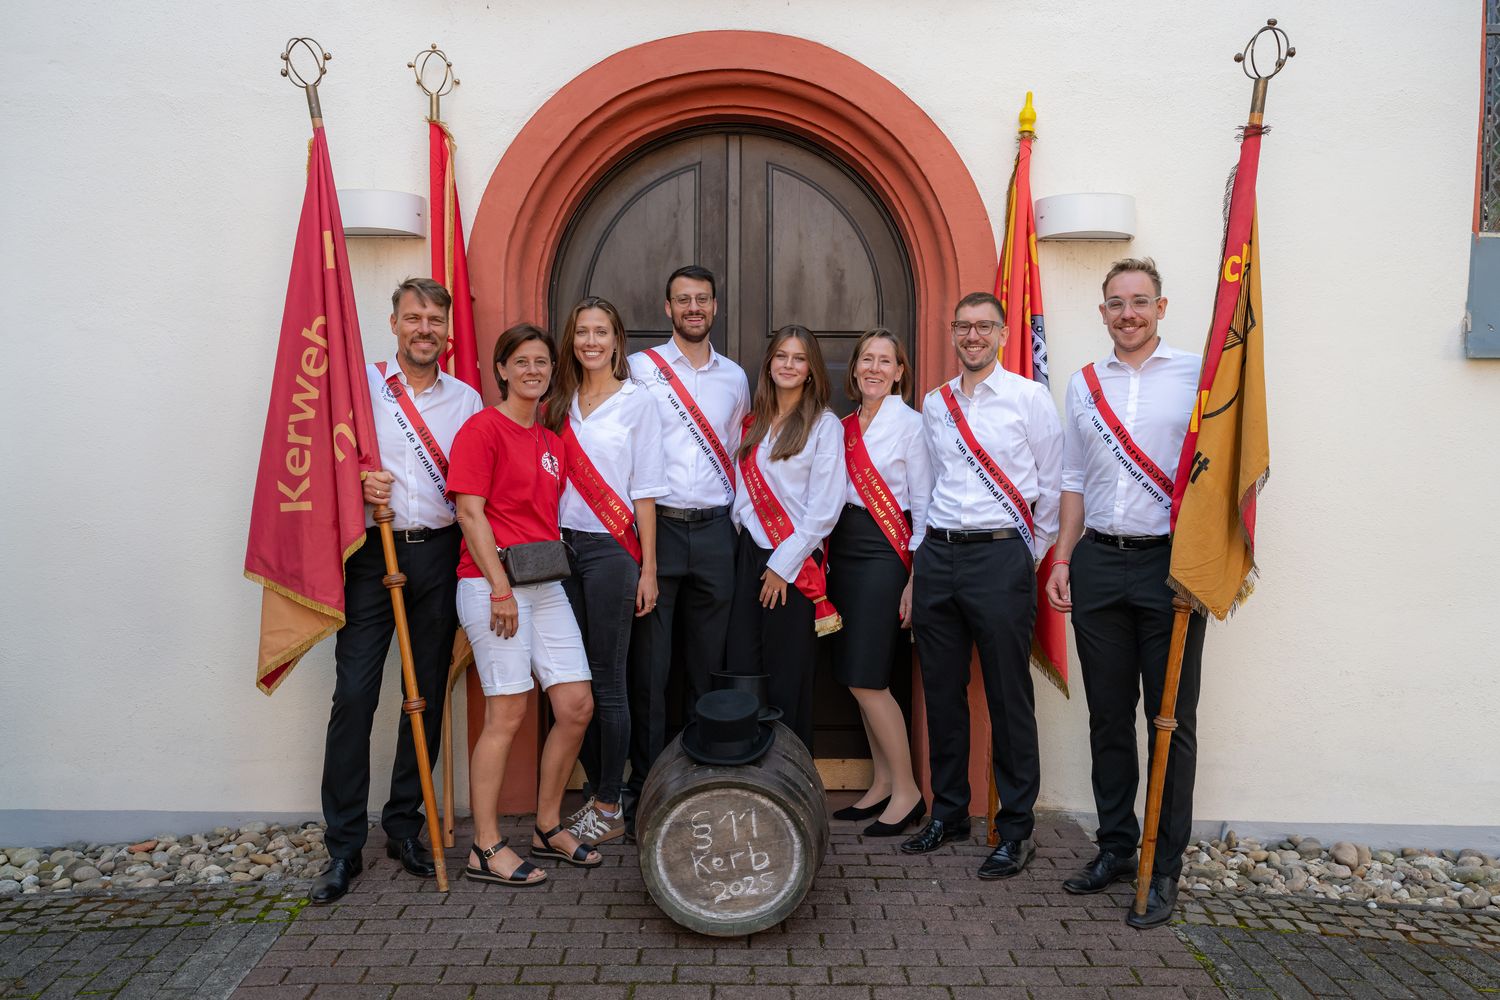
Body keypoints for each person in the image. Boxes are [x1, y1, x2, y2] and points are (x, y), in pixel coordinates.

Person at [1044, 258, 1207, 928]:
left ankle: (1162, 865)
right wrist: (1062, 557)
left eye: (1140, 301)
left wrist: (1208, 563)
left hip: (1172, 568)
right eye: (1116, 303)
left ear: (1161, 308)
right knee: (1108, 717)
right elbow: (1073, 477)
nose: (1128, 313)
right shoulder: (1084, 384)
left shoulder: (1199, 375)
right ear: (1103, 312)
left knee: (1171, 721)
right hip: (1099, 563)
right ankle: (1115, 847)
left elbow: (1225, 470)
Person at [312, 277, 483, 905]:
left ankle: (405, 826)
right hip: (370, 556)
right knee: (354, 695)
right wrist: (357, 482)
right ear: (394, 324)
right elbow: (324, 462)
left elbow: (474, 482)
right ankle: (343, 845)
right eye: (414, 318)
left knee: (425, 694)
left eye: (435, 320)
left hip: (436, 554)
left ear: (447, 331)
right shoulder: (360, 390)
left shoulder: (465, 400)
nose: (424, 329)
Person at [902, 291, 1062, 881]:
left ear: (1002, 334)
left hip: (1000, 556)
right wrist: (921, 558)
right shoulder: (935, 403)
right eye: (963, 326)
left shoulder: (1029, 398)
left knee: (1007, 696)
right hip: (939, 555)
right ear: (952, 332)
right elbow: (926, 488)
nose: (973, 336)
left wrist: (1026, 555)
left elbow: (1052, 484)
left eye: (984, 326)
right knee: (942, 693)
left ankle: (1015, 829)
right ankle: (949, 813)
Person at [448, 323, 599, 886]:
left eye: (542, 362)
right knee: (508, 711)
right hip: (491, 585)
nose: (533, 370)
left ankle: (546, 826)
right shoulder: (481, 429)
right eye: (522, 362)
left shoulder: (551, 443)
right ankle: (485, 848)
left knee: (576, 706)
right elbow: (470, 513)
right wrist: (499, 588)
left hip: (544, 583)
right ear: (502, 370)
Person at [623, 266, 750, 826]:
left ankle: (698, 777)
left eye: (702, 299)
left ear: (715, 307)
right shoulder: (639, 370)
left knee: (707, 663)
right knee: (650, 668)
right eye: (683, 300)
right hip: (659, 531)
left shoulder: (736, 378)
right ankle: (647, 785)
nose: (693, 308)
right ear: (667, 307)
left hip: (717, 531)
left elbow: (738, 450)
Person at [541, 297, 667, 845]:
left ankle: (610, 803)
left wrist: (648, 569)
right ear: (571, 340)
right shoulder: (556, 402)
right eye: (581, 332)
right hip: (557, 552)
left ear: (617, 340)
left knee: (608, 680)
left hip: (612, 551)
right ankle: (594, 787)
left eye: (601, 332)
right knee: (571, 680)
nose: (590, 341)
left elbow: (646, 491)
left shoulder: (640, 402)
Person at [827, 328, 931, 836]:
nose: (874, 368)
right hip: (844, 550)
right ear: (855, 368)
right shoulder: (842, 426)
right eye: (866, 359)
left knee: (868, 677)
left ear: (899, 372)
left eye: (884, 361)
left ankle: (908, 791)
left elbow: (925, 507)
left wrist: (914, 578)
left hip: (885, 552)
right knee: (855, 675)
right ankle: (883, 782)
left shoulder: (913, 426)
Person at [726, 325, 845, 747]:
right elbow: (741, 495)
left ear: (811, 370)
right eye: (781, 356)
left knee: (787, 676)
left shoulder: (824, 426)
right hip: (748, 556)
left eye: (799, 358)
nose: (789, 365)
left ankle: (789, 771)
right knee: (744, 666)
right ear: (769, 363)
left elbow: (824, 510)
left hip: (793, 563)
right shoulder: (753, 423)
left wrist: (781, 565)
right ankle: (748, 768)